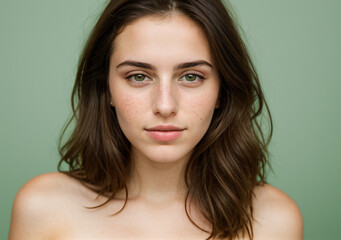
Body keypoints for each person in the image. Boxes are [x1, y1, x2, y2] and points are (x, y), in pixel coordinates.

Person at [9, 0, 303, 239]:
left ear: (222, 91)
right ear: (106, 88)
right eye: (138, 76)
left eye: (191, 77)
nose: (165, 105)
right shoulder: (43, 207)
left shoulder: (274, 220)